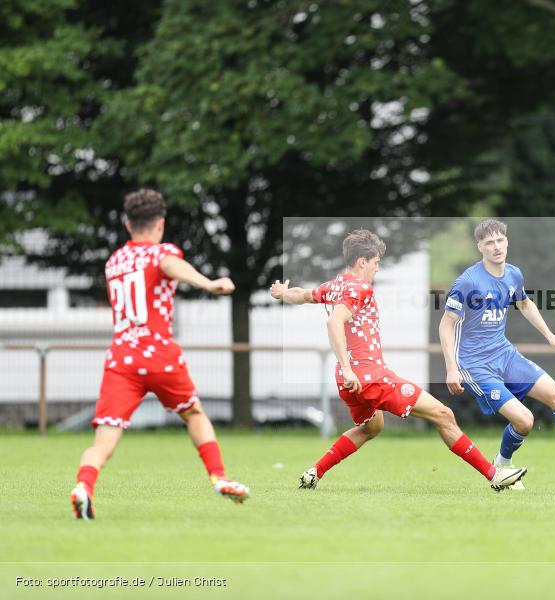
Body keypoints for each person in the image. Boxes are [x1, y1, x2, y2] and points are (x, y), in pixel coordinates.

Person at [269, 229, 526, 492]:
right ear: (362, 262)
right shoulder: (359, 288)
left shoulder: (336, 285)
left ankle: (315, 471)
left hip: (350, 382)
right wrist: (348, 368)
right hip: (369, 377)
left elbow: (302, 294)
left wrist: (281, 294)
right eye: (376, 262)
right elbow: (334, 321)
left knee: (371, 427)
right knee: (443, 414)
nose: (377, 269)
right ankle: (495, 475)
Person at [71, 189, 250, 520]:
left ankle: (84, 486)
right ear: (160, 224)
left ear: (128, 224)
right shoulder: (161, 253)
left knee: (106, 436)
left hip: (122, 357)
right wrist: (209, 284)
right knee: (194, 414)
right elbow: (168, 263)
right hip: (159, 354)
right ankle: (219, 477)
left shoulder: (114, 261)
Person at [438, 219, 555, 489]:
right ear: (480, 247)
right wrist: (452, 367)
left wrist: (550, 335)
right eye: (489, 243)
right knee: (525, 421)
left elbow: (524, 302)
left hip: (504, 354)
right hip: (475, 365)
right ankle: (503, 466)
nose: (496, 247)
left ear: (507, 241)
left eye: (500, 241)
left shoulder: (513, 274)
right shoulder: (468, 282)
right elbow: (446, 324)